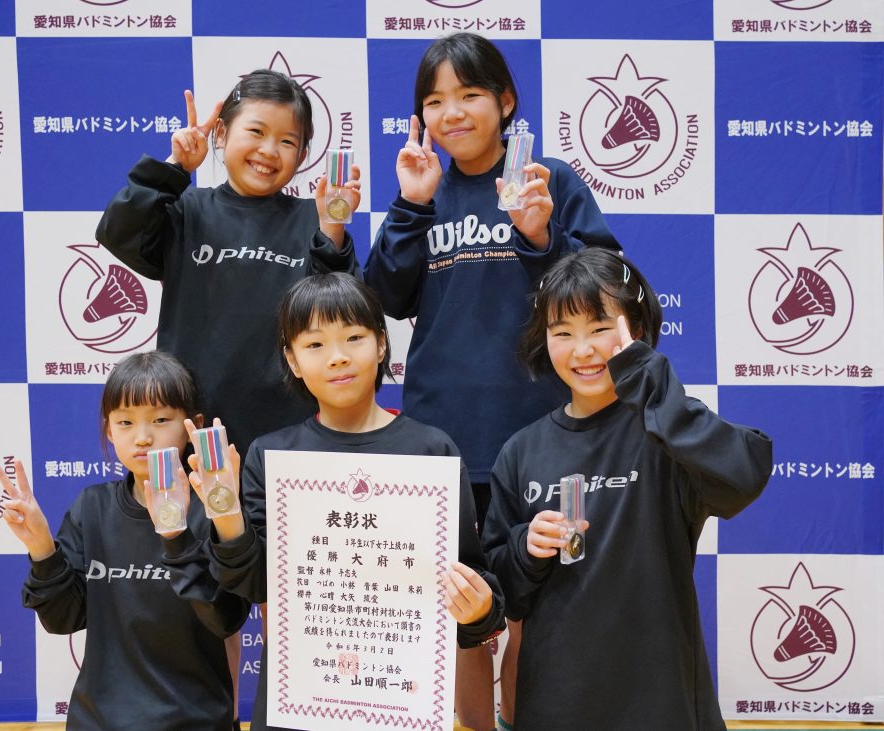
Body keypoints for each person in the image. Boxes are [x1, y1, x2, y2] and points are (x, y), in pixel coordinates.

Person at [362, 31, 620, 730]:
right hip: (443, 434)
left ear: (505, 101)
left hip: (543, 432)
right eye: (434, 100)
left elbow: (609, 286)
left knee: (542, 601)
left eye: (470, 94)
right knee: (461, 608)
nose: (452, 112)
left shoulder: (547, 178)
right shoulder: (425, 188)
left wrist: (542, 239)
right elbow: (379, 299)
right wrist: (411, 205)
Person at [182, 272, 506, 731]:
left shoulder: (431, 451)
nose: (337, 357)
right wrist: (227, 513)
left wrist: (478, 610)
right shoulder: (272, 456)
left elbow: (472, 587)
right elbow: (254, 586)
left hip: (399, 703)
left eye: (353, 337)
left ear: (381, 344)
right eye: (314, 344)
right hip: (300, 705)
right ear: (292, 360)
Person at [482, 248, 773, 731]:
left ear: (635, 330)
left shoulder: (668, 433)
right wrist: (525, 548)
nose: (582, 350)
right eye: (562, 333)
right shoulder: (520, 451)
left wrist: (651, 384)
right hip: (556, 704)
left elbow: (744, 474)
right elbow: (501, 594)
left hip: (662, 702)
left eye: (599, 328)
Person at [96, 69, 361, 465]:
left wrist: (332, 229)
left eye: (287, 141)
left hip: (292, 430)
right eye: (256, 132)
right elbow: (119, 232)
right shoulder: (188, 209)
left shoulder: (313, 218)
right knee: (198, 507)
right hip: (193, 427)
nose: (269, 150)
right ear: (220, 133)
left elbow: (343, 314)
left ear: (303, 155)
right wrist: (175, 168)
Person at [0, 351, 250, 730]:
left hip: (194, 720)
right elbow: (62, 619)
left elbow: (225, 618)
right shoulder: (91, 507)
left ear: (192, 426)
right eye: (126, 422)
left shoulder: (216, 510)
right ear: (109, 431)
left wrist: (176, 536)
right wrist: (42, 547)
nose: (142, 437)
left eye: (160, 420)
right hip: (98, 721)